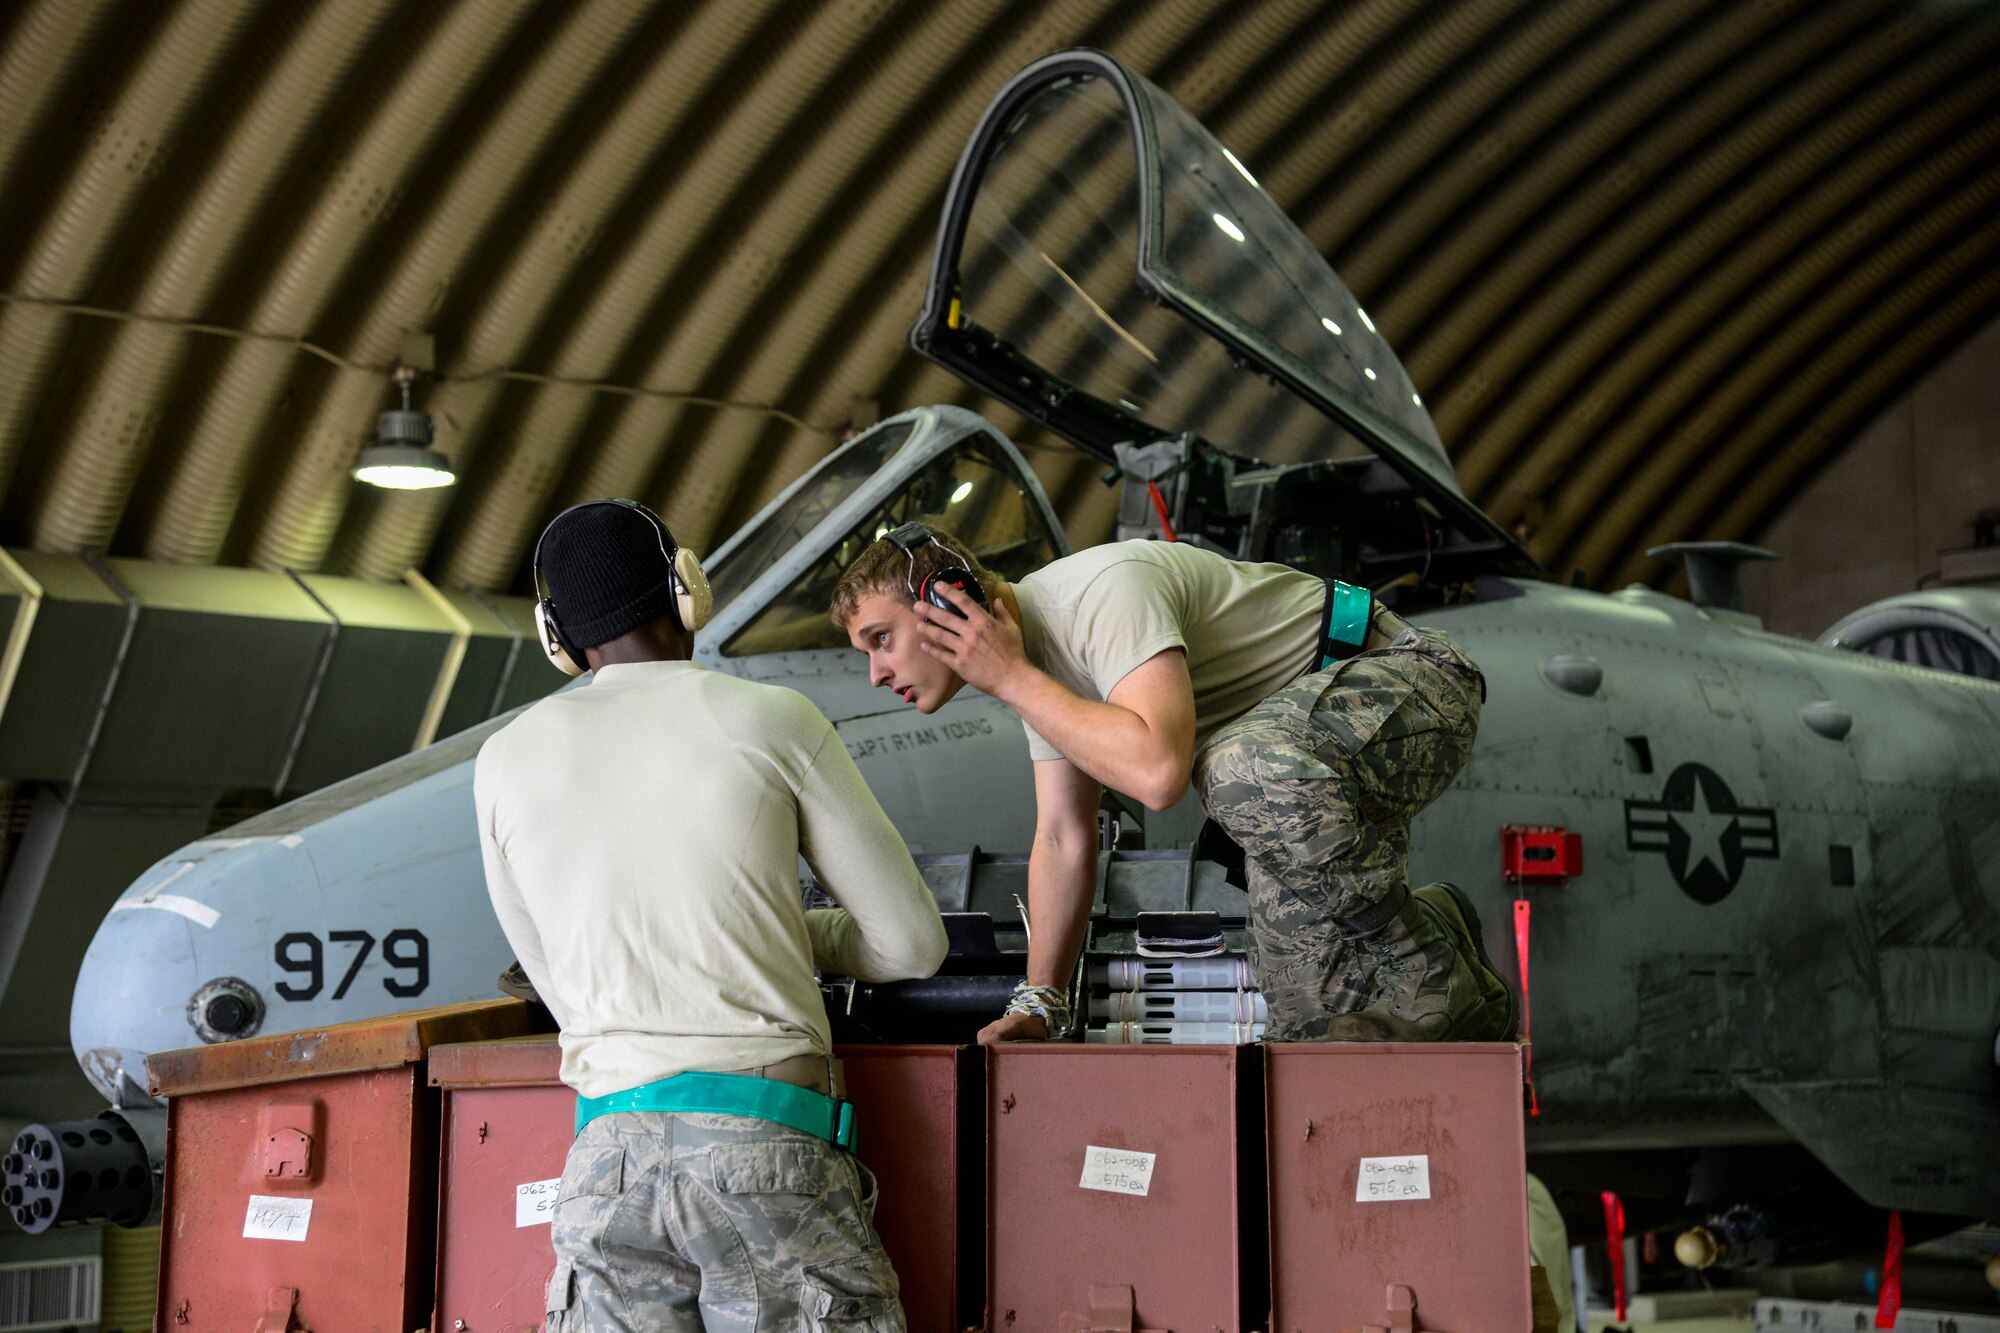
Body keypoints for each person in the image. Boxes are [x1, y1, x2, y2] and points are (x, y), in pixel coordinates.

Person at [478, 499, 947, 1332]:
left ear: (558, 638)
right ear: (685, 589)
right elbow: (913, 944)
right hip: (766, 1145)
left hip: (606, 1165)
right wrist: (796, 933)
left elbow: (558, 981)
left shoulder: (503, 758)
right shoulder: (771, 716)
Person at [831, 525, 1511, 1046]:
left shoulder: (1102, 593)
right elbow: (1063, 838)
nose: (876, 674)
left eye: (881, 638)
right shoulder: (1037, 670)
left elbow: (1159, 774)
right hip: (1307, 758)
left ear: (947, 600)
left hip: (1407, 681)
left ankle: (1425, 960)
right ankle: (1441, 942)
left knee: (1235, 766)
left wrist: (1013, 679)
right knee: (1308, 1030)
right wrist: (1039, 1002)